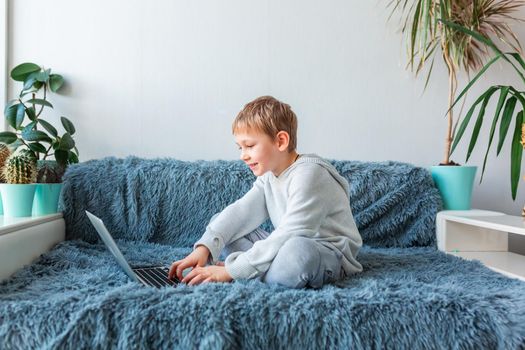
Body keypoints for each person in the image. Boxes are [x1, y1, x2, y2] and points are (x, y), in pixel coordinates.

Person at [168, 96, 363, 289]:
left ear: (280, 141)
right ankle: (260, 272)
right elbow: (242, 212)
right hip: (284, 245)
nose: (243, 155)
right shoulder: (269, 176)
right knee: (223, 223)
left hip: (326, 254)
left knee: (297, 251)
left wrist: (230, 272)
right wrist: (205, 248)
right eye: (240, 148)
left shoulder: (310, 174)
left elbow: (292, 233)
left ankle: (246, 271)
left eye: (250, 146)